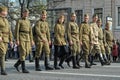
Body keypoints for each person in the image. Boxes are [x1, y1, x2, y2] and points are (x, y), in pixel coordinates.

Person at [14, 8, 34, 73]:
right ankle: (23, 68)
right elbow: (16, 31)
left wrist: (32, 40)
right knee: (23, 52)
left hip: (27, 37)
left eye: (27, 13)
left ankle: (17, 64)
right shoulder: (19, 20)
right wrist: (17, 39)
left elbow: (30, 31)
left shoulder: (28, 21)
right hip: (21, 37)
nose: (26, 14)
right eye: (25, 13)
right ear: (23, 13)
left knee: (27, 52)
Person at [0, 6, 13, 75]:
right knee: (2, 53)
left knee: (2, 53)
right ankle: (3, 70)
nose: (6, 13)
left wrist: (11, 40)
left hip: (6, 39)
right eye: (5, 11)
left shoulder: (6, 20)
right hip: (1, 38)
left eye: (6, 11)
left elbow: (9, 30)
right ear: (1, 12)